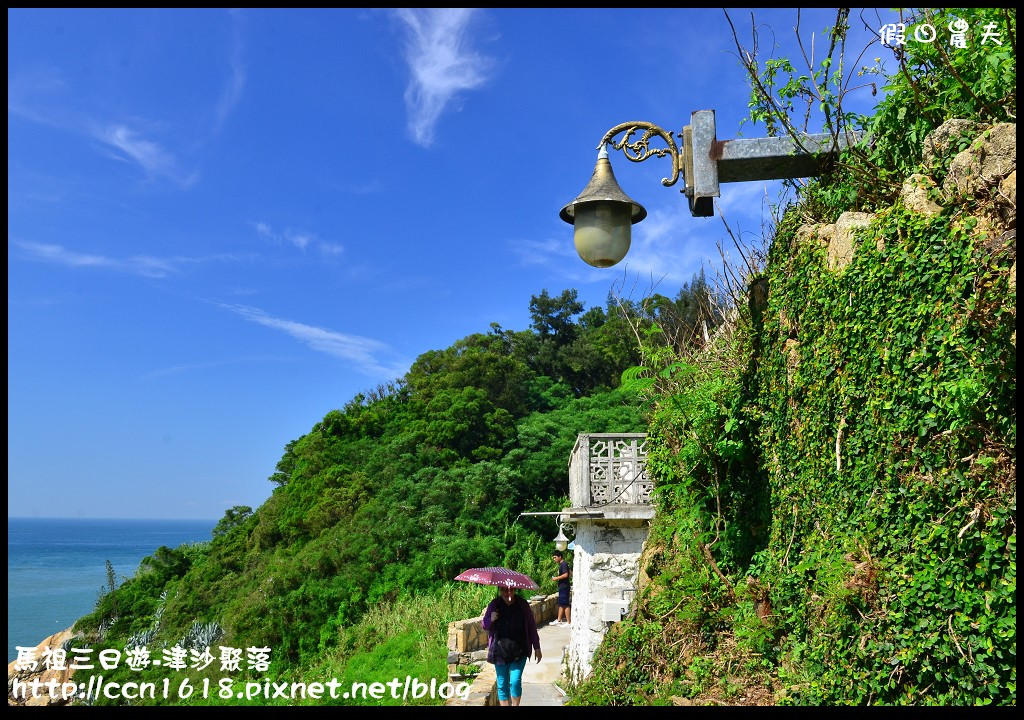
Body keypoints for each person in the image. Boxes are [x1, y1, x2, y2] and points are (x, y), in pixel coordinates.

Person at [481, 586, 542, 706]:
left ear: (514, 590)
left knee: (515, 681)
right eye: (503, 590)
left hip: (519, 651)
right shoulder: (495, 604)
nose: (506, 592)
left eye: (510, 589)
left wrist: (537, 647)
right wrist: (491, 619)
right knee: (502, 684)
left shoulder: (522, 605)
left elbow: (531, 626)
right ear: (499, 590)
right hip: (500, 651)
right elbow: (484, 625)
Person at [551, 550, 572, 625]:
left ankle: (569, 622)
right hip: (563, 586)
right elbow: (570, 573)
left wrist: (556, 578)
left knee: (565, 604)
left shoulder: (563, 564)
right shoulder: (563, 564)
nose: (554, 559)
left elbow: (566, 574)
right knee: (561, 604)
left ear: (560, 557)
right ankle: (559, 620)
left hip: (564, 587)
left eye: (555, 557)